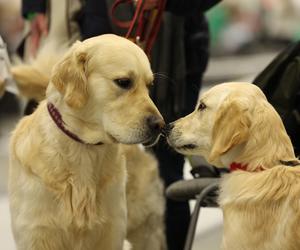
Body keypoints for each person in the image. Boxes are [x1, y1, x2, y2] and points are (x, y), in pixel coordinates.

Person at [21, 1, 221, 249]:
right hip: (97, 15)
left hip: (173, 38)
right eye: (124, 83)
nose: (156, 119)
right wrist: (35, 7)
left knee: (166, 176)